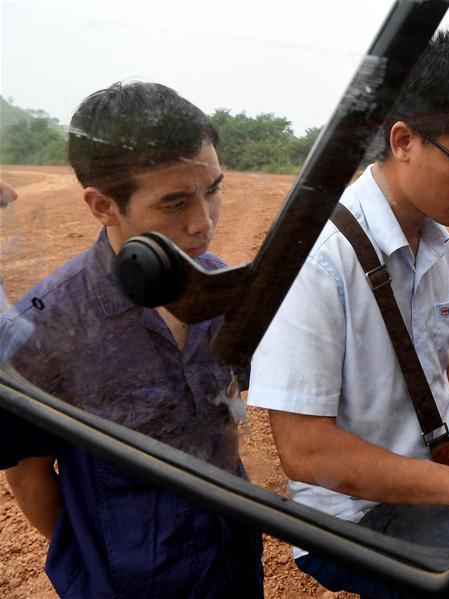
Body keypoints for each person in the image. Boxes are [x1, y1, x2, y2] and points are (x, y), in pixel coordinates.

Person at [248, 29, 449, 597]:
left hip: (434, 484)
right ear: (403, 140)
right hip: (354, 518)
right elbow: (304, 451)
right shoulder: (316, 259)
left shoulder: (434, 237)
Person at [0, 82, 263, 597]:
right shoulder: (46, 324)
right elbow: (29, 477)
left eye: (213, 189)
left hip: (233, 562)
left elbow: (233, 408)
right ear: (102, 206)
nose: (202, 221)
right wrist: (104, 567)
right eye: (174, 203)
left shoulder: (225, 288)